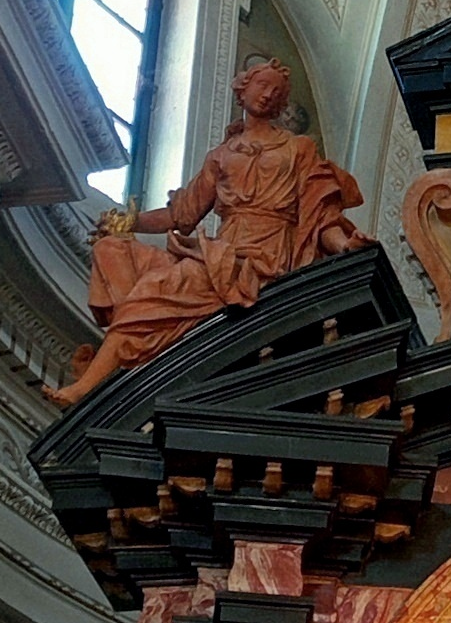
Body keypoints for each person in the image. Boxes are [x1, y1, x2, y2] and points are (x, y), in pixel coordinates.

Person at [48, 60, 367, 403]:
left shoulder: (298, 148)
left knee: (157, 288)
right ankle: (142, 347)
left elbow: (320, 215)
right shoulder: (221, 156)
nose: (269, 94)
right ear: (242, 90)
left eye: (277, 92)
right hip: (220, 252)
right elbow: (181, 215)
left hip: (260, 259)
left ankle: (94, 380)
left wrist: (345, 246)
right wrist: (128, 222)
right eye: (262, 85)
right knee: (110, 248)